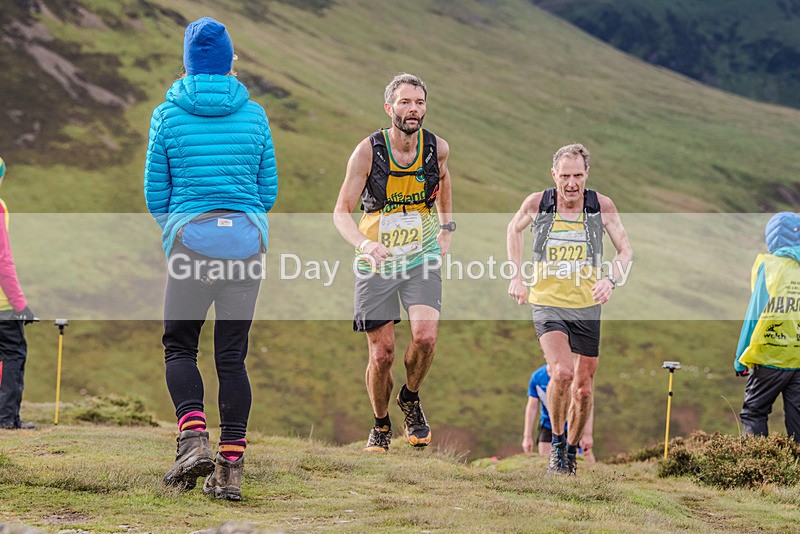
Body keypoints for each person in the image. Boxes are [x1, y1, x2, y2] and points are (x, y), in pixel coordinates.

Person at [144, 17, 278, 500]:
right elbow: (267, 191)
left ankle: (193, 439)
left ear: (187, 61)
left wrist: (182, 229)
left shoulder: (167, 115)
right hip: (245, 246)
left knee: (180, 346)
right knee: (232, 357)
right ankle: (230, 471)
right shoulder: (255, 115)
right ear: (229, 62)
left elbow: (155, 194)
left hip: (192, 245)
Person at [333, 73, 453, 452]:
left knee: (425, 337)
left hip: (420, 256)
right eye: (404, 102)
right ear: (389, 108)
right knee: (382, 355)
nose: (413, 109)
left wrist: (446, 228)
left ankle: (410, 398)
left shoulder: (436, 148)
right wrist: (364, 244)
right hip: (377, 261)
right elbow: (341, 211)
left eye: (419, 102)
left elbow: (443, 179)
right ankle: (381, 424)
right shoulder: (368, 152)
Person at [507, 143, 632, 475]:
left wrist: (610, 280)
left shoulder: (601, 206)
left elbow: (625, 251)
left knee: (583, 387)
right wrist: (516, 276)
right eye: (565, 176)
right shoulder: (538, 203)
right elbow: (513, 229)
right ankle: (558, 445)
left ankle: (571, 451)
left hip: (587, 306)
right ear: (554, 175)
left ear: (587, 174)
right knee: (562, 373)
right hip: (547, 301)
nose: (572, 183)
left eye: (577, 175)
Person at [735, 212, 800, 442]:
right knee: (798, 420)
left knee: (754, 412)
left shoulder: (770, 266)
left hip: (769, 357)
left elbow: (755, 314)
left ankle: (757, 461)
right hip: (798, 359)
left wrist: (740, 358)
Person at [0, 156, 37, 430]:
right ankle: (7, 418)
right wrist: (21, 304)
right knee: (14, 354)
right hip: (3, 306)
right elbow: (3, 260)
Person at [523, 362, 596, 463]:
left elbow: (585, 405)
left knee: (583, 459)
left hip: (573, 425)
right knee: (546, 461)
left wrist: (587, 434)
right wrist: (527, 436)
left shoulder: (573, 376)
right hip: (548, 425)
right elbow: (532, 407)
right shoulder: (537, 377)